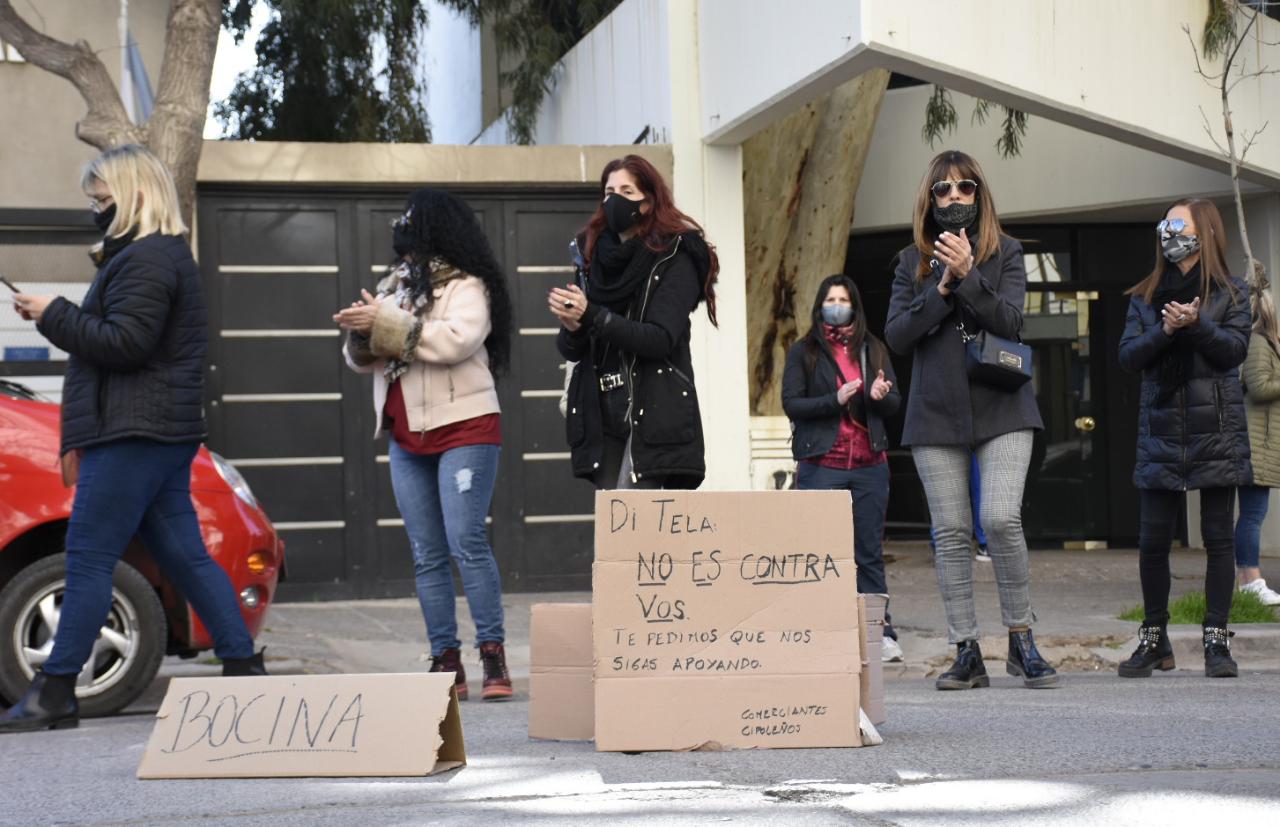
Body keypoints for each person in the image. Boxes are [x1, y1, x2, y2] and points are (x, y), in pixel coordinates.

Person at [1, 145, 265, 734]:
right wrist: (57, 315)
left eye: (102, 198)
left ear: (134, 195)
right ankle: (245, 668)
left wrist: (53, 313)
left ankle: (56, 691)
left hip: (133, 433)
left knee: (89, 558)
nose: (96, 209)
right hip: (153, 431)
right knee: (184, 555)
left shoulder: (146, 260)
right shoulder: (154, 257)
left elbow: (124, 343)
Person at [885, 149, 1057, 690]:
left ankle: (1021, 639)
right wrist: (939, 287)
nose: (954, 197)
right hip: (934, 413)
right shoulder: (909, 262)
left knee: (1002, 519)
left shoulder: (1005, 252)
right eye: (943, 189)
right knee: (953, 532)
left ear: (979, 196)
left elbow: (1010, 322)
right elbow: (896, 337)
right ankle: (966, 650)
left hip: (1003, 405)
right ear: (929, 200)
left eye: (965, 188)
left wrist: (968, 276)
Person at [336, 188, 515, 701]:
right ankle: (445, 659)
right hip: (405, 434)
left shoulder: (468, 285)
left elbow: (456, 340)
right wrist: (360, 333)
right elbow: (362, 360)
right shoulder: (394, 286)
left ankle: (492, 655)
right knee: (426, 552)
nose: (403, 234)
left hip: (465, 428)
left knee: (466, 542)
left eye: (413, 225)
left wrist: (385, 325)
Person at [1117, 198, 1251, 679]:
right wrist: (1168, 330)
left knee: (1218, 538)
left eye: (1179, 224)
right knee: (1153, 541)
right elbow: (1130, 357)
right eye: (1165, 225)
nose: (1169, 232)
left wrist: (1196, 325)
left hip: (1216, 430)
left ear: (1205, 232)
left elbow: (1233, 351)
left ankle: (1217, 640)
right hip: (1161, 431)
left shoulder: (1233, 293)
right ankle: (1154, 640)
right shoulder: (1143, 296)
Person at [548, 154, 718, 490]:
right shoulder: (590, 255)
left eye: (627, 191)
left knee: (636, 523)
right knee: (614, 526)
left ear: (649, 200)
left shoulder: (676, 255)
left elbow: (659, 338)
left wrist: (591, 315)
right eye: (609, 191)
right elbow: (574, 347)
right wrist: (572, 325)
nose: (615, 200)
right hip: (601, 410)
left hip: (653, 407)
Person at [782, 275, 904, 662]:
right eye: (831, 299)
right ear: (820, 306)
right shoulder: (804, 352)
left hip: (870, 464)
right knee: (818, 552)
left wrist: (880, 397)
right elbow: (792, 405)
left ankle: (878, 631)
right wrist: (834, 399)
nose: (838, 305)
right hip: (822, 464)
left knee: (868, 551)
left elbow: (895, 403)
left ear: (855, 306)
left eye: (844, 299)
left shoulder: (874, 348)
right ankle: (820, 630)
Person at [1236, 282, 1280, 606]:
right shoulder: (1257, 342)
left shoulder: (1267, 343)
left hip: (1263, 444)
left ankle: (1249, 580)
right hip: (1255, 444)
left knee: (1254, 513)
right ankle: (1249, 580)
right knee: (1252, 514)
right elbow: (1260, 387)